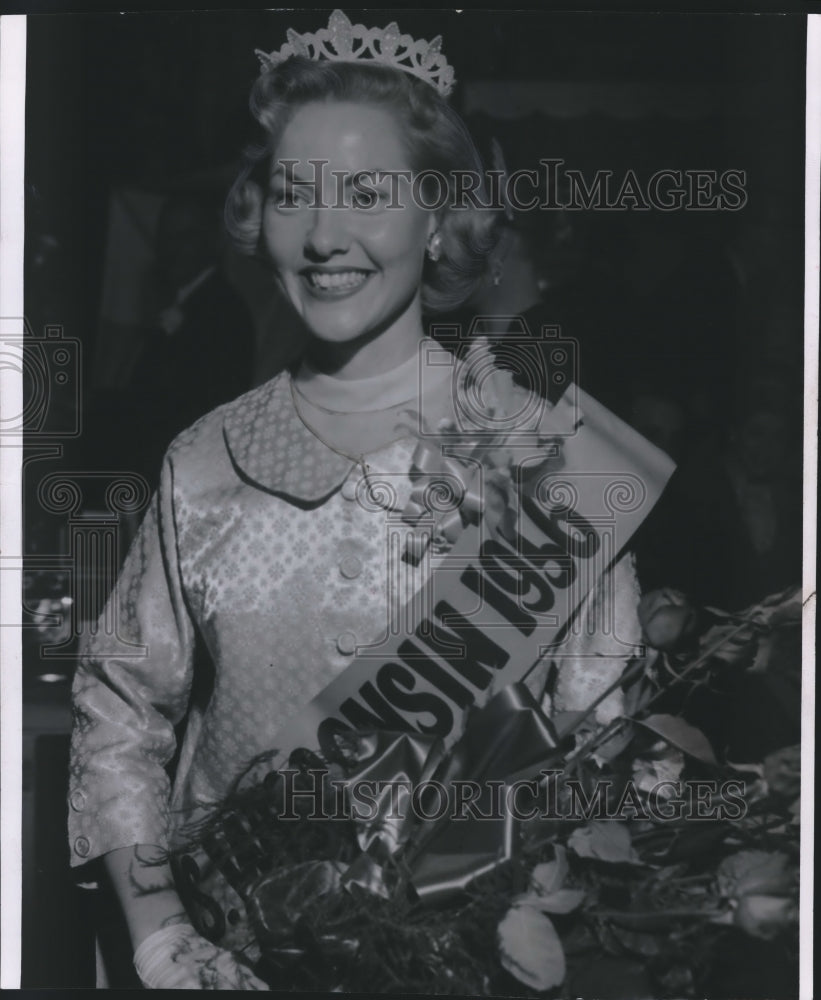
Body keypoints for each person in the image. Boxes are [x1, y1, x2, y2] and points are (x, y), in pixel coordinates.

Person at [68, 11, 667, 990]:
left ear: (436, 216)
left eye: (367, 192)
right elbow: (119, 713)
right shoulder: (204, 459)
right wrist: (159, 933)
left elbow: (594, 743)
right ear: (256, 214)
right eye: (292, 194)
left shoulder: (538, 461)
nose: (323, 235)